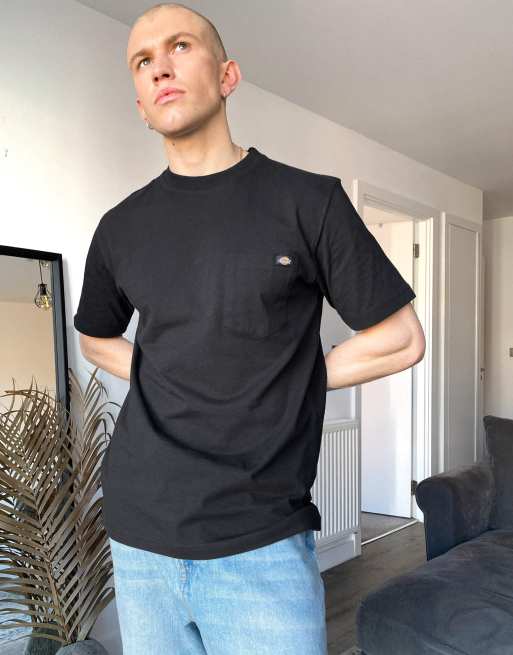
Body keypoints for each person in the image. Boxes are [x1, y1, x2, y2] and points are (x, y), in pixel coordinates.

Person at [73, 3, 425, 654]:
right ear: (141, 105)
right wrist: (162, 371)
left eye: (180, 46)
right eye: (142, 61)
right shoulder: (120, 227)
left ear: (227, 75)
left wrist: (288, 377)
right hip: (139, 532)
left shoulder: (309, 201)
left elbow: (401, 337)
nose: (160, 68)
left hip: (260, 539)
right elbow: (94, 336)